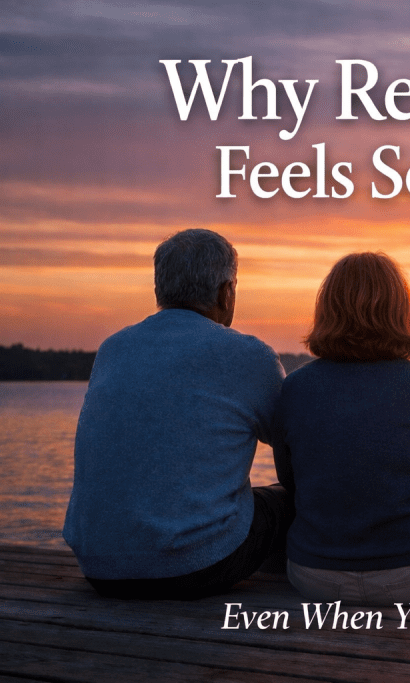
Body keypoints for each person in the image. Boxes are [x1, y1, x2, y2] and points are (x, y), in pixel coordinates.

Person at [63, 228, 294, 600]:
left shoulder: (113, 348)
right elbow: (292, 455)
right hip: (195, 566)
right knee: (287, 498)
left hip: (98, 567)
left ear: (160, 291)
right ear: (226, 293)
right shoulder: (249, 356)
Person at [274, 252, 410, 605]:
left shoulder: (294, 389)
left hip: (316, 577)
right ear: (402, 312)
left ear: (327, 311)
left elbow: (291, 482)